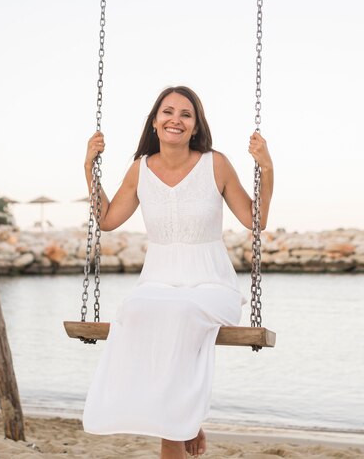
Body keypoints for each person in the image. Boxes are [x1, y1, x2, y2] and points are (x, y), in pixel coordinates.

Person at [81, 86, 273, 458]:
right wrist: (89, 167)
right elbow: (106, 220)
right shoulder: (140, 170)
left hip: (210, 283)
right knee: (135, 311)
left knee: (182, 312)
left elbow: (256, 220)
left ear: (196, 125)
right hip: (157, 281)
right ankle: (185, 419)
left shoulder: (215, 164)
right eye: (168, 112)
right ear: (154, 122)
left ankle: (174, 434)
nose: (176, 120)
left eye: (186, 114)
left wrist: (265, 167)